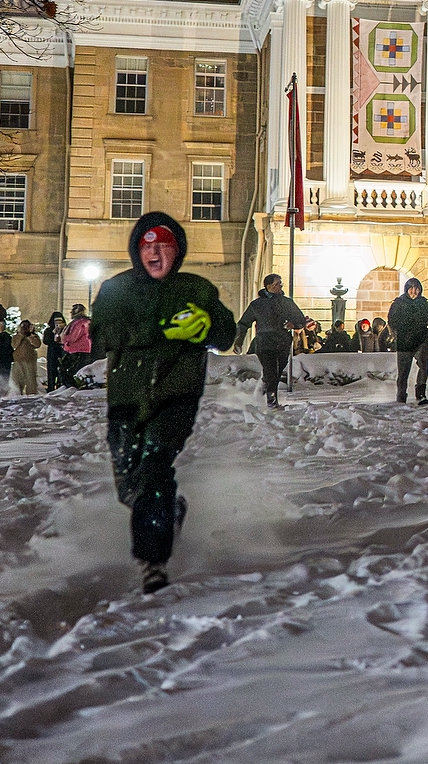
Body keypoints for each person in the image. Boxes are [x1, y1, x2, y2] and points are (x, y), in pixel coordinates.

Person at [93, 212, 234, 594]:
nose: (155, 252)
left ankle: (153, 562)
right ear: (138, 251)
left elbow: (226, 334)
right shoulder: (116, 289)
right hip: (126, 400)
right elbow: (103, 332)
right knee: (129, 485)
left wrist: (207, 326)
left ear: (177, 250)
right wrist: (160, 329)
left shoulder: (197, 289)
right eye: (147, 245)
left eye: (164, 245)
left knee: (154, 468)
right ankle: (170, 511)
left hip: (177, 396)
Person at [234, 273, 308, 407]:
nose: (281, 286)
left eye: (280, 283)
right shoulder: (257, 305)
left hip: (283, 342)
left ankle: (264, 387)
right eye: (278, 283)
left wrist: (294, 324)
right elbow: (244, 323)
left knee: (278, 370)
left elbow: (301, 320)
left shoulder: (287, 303)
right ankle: (271, 401)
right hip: (264, 342)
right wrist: (238, 342)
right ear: (269, 287)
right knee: (271, 370)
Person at [388, 279, 428, 405]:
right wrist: (398, 332)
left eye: (416, 288)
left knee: (424, 367)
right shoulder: (398, 303)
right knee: (403, 371)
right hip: (404, 342)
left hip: (421, 340)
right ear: (406, 289)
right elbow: (392, 320)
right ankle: (401, 395)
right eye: (411, 288)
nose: (414, 291)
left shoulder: (424, 304)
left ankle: (421, 394)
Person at [59, 304, 93, 388]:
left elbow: (73, 337)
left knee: (68, 370)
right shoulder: (84, 321)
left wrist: (62, 337)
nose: (71, 312)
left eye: (73, 310)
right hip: (81, 350)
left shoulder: (79, 323)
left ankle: (71, 388)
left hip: (77, 350)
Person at [10, 318, 40, 396]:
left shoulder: (33, 336)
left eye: (27, 326)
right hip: (18, 360)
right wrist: (21, 335)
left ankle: (32, 396)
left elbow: (37, 344)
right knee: (17, 379)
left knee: (31, 379)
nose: (25, 328)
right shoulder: (16, 336)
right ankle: (16, 395)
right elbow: (14, 345)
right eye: (23, 326)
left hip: (30, 360)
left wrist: (30, 336)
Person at [42, 311, 67, 392]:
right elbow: (46, 341)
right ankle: (51, 388)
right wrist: (53, 334)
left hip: (62, 352)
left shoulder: (66, 329)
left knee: (62, 371)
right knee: (51, 372)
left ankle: (61, 387)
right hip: (52, 353)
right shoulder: (49, 330)